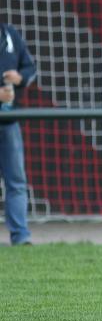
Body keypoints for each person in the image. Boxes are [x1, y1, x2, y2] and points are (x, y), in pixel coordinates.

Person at [1, 23, 37, 247]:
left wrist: (20, 78)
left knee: (16, 181)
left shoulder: (10, 34)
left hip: (8, 121)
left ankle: (21, 236)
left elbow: (30, 68)